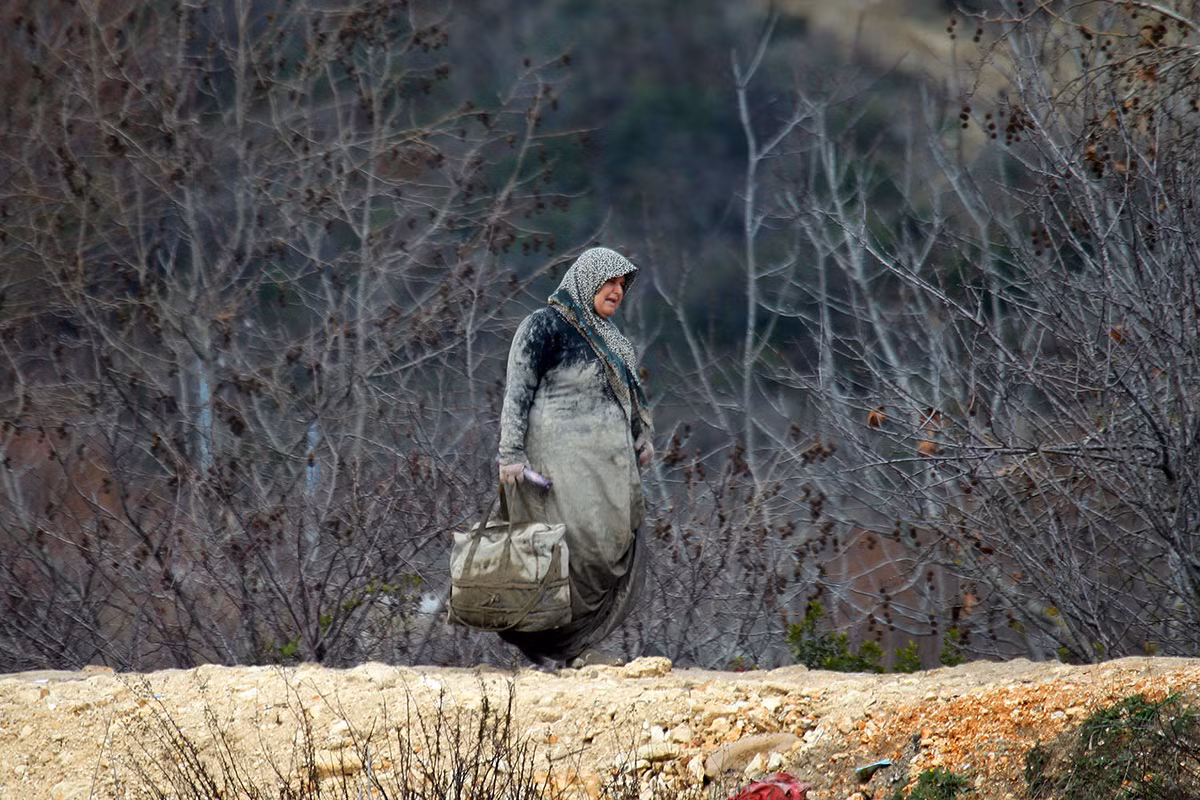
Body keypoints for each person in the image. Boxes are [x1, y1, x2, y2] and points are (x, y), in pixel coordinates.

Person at [495, 246, 654, 668]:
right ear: (587, 280)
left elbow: (630, 398)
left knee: (608, 552)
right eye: (609, 281)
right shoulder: (544, 326)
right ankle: (555, 643)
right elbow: (517, 392)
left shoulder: (615, 342)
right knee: (570, 550)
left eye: (622, 284)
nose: (617, 291)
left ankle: (577, 647)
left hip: (610, 474)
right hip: (560, 469)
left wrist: (642, 436)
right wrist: (511, 453)